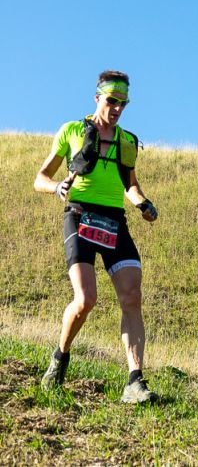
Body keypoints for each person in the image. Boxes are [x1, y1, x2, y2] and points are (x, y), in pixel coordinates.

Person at [34, 70, 158, 403]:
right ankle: (60, 357)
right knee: (86, 300)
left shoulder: (127, 142)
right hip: (80, 216)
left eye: (123, 103)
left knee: (132, 297)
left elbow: (130, 184)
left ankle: (134, 381)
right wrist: (56, 187)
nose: (117, 108)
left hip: (114, 221)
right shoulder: (72, 130)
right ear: (97, 98)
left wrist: (143, 204)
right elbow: (40, 178)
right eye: (112, 101)